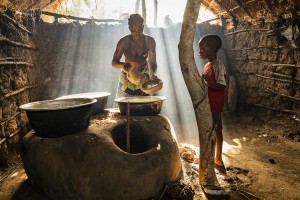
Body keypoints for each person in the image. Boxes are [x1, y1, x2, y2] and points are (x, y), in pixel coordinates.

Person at [199, 34, 227, 195]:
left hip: (215, 104)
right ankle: (210, 157)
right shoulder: (208, 65)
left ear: (212, 49)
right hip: (209, 104)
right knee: (211, 129)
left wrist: (205, 83)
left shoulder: (218, 65)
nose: (200, 51)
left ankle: (218, 158)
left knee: (217, 128)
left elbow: (222, 86)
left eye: (202, 48)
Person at [112, 13, 157, 98]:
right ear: (129, 28)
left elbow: (152, 61)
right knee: (124, 106)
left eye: (139, 30)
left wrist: (153, 74)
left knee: (145, 105)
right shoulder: (123, 42)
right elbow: (114, 62)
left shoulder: (150, 41)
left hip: (144, 74)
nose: (136, 33)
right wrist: (125, 66)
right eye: (133, 30)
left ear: (143, 27)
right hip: (127, 74)